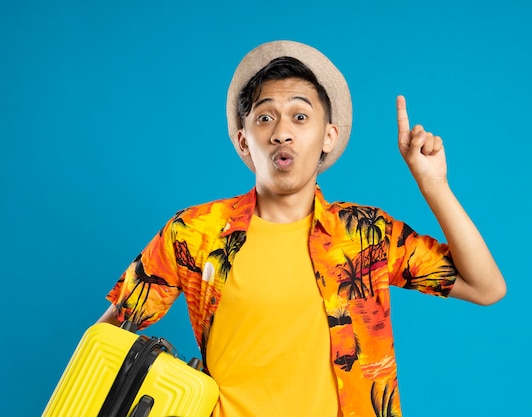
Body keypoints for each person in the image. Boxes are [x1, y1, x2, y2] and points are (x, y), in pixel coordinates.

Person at [98, 40, 506, 416]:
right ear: (244, 141)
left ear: (328, 137)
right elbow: (105, 341)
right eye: (264, 118)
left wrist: (433, 184)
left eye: (299, 115)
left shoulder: (366, 235)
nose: (281, 132)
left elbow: (486, 288)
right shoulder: (193, 233)